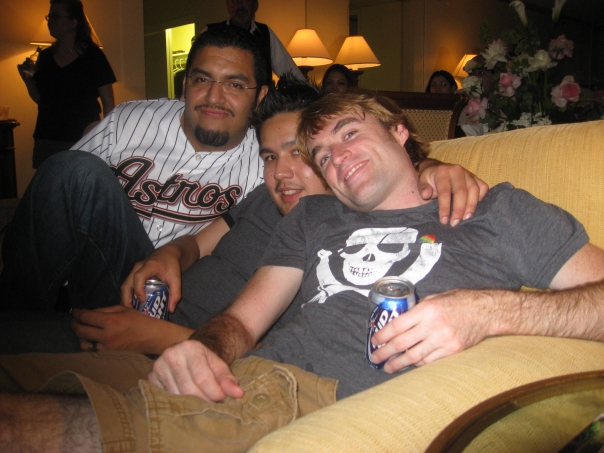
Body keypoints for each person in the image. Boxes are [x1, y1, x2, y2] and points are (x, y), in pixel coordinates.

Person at [3, 89, 603, 452]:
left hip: (306, 401)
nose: (336, 158)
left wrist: (488, 312)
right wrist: (203, 349)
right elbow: (242, 321)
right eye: (322, 154)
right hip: (242, 376)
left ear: (401, 132)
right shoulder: (313, 216)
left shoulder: (500, 210)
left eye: (350, 134)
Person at [68, 81, 488, 355]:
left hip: (172, 353)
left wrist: (431, 167)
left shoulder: (339, 236)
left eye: (297, 153)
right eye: (269, 157)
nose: (280, 173)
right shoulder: (264, 199)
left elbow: (285, 357)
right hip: (135, 322)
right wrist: (169, 256)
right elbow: (196, 243)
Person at [0, 26, 270, 352]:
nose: (214, 97)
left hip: (164, 300)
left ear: (260, 96)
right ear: (185, 85)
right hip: (91, 273)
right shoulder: (129, 121)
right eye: (202, 79)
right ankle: (16, 322)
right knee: (74, 170)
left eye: (235, 84)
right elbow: (60, 194)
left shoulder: (266, 164)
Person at [17, 0, 116, 169]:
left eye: (56, 16)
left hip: (83, 137)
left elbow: (108, 101)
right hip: (47, 137)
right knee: (49, 183)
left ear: (73, 23)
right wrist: (27, 80)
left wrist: (105, 137)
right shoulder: (46, 57)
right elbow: (43, 100)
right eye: (49, 16)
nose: (50, 21)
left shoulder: (92, 56)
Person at [203, 0, 305, 83]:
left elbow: (289, 71)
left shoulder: (265, 33)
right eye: (234, 1)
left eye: (246, 1)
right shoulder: (210, 32)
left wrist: (308, 93)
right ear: (228, 6)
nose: (240, 6)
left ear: (255, 5)